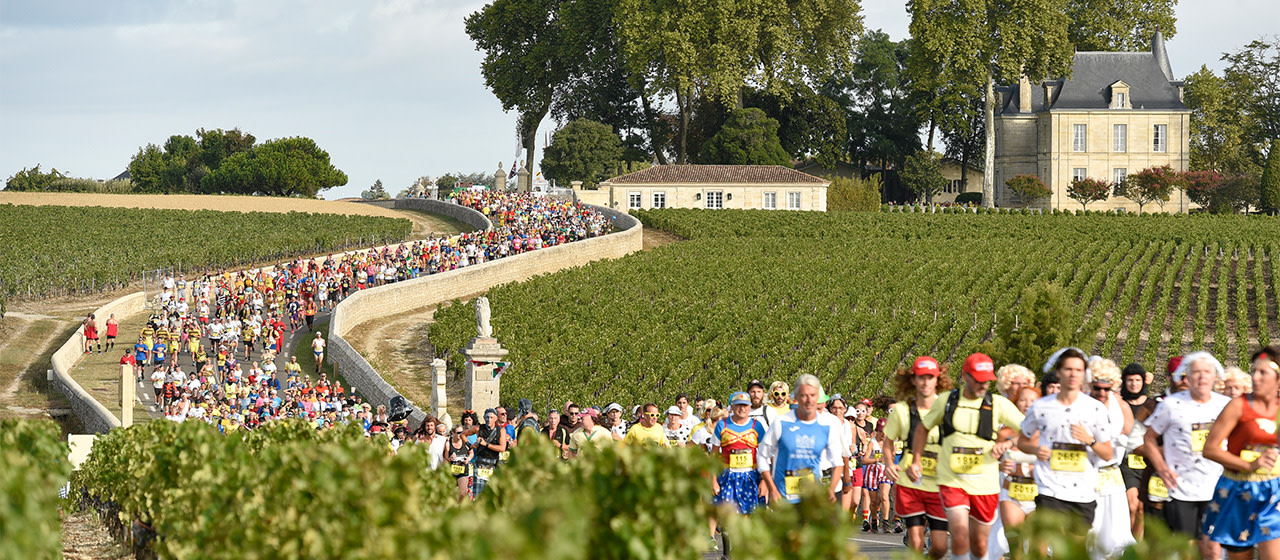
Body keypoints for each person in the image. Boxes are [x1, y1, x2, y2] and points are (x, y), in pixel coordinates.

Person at [909, 353, 1023, 560]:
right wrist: (916, 460)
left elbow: (1029, 429)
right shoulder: (946, 401)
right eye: (978, 380)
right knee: (960, 534)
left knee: (979, 546)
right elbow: (922, 429)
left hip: (985, 483)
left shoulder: (998, 404)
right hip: (952, 479)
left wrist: (1009, 443)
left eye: (987, 381)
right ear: (965, 376)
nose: (983, 385)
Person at [1142, 351, 1231, 559]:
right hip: (1181, 488)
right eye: (1196, 372)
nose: (1201, 377)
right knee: (1187, 549)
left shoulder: (1224, 404)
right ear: (1187, 376)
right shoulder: (1170, 404)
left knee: (1212, 547)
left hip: (1217, 486)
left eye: (1206, 372)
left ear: (1214, 377)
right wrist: (1162, 468)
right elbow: (1148, 439)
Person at [1200, 346, 1280, 559]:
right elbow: (1209, 449)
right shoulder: (1238, 405)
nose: (1255, 377)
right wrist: (1249, 465)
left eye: (1263, 372)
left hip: (1274, 492)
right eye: (1254, 371)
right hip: (1239, 488)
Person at [884, 356, 952, 558]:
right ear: (913, 380)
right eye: (921, 377)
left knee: (940, 547)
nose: (925, 382)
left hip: (938, 483)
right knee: (916, 541)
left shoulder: (946, 409)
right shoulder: (902, 411)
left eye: (930, 377)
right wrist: (889, 464)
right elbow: (888, 442)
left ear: (937, 380)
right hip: (910, 482)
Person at [757, 374, 845, 504]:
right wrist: (772, 488)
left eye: (813, 395)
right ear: (796, 397)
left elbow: (838, 462)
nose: (809, 400)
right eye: (804, 395)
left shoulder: (826, 425)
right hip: (784, 498)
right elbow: (762, 456)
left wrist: (831, 489)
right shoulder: (781, 422)